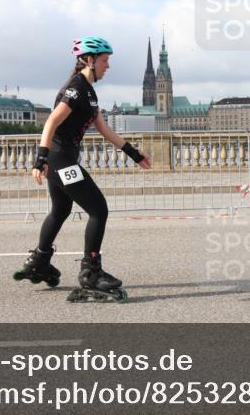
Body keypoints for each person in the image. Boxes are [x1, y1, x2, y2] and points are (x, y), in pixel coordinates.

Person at [13, 36, 152, 301]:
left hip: (63, 159)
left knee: (61, 210)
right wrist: (39, 160)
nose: (108, 66)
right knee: (98, 209)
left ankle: (40, 260)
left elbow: (104, 129)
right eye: (104, 60)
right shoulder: (75, 89)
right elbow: (51, 122)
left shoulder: (89, 91)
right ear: (89, 60)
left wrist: (133, 153)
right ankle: (90, 272)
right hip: (60, 159)